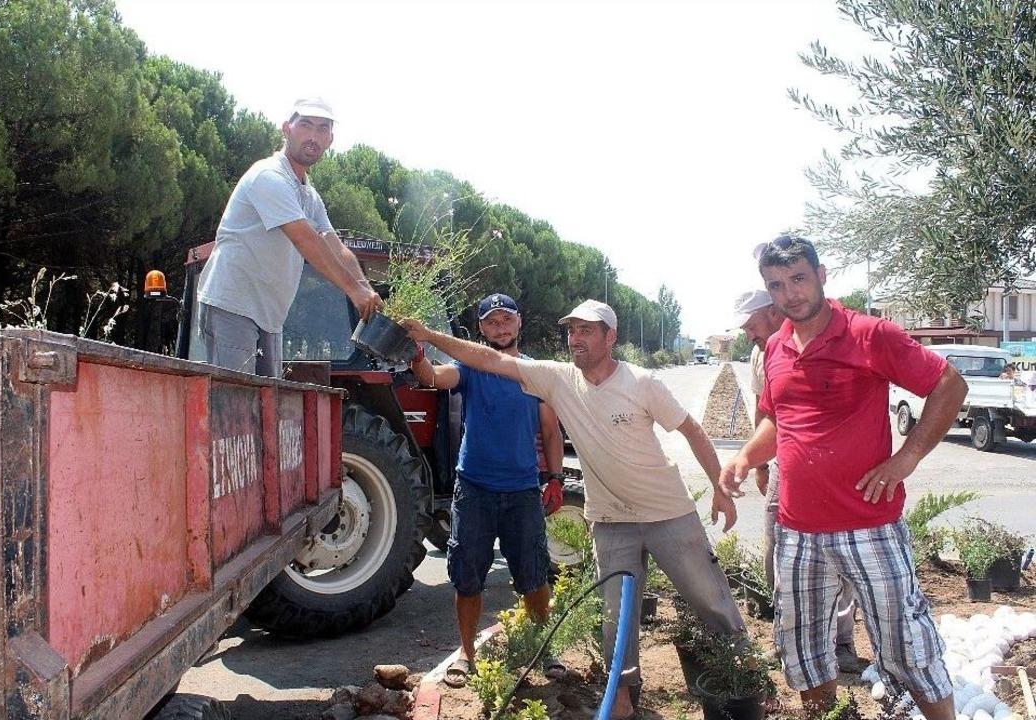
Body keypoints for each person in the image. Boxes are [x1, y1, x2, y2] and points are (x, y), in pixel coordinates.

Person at [403, 299, 746, 720]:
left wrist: (720, 487)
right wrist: (427, 337)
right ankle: (621, 698)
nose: (575, 338)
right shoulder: (556, 378)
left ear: (610, 337)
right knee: (615, 619)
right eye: (571, 331)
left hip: (666, 512)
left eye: (587, 330)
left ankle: (744, 678)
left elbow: (691, 429)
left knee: (710, 600)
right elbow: (484, 361)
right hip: (608, 520)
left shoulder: (641, 382)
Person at [720, 235, 967, 718]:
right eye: (777, 285)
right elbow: (780, 421)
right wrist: (746, 456)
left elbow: (948, 384)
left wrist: (907, 457)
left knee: (908, 646)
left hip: (868, 526)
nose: (790, 294)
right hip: (796, 532)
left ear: (821, 275)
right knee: (805, 649)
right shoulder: (775, 346)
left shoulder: (869, 334)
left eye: (798, 279)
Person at [409, 293, 566, 687]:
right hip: (474, 490)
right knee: (467, 577)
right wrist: (417, 355)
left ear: (519, 322)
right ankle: (467, 653)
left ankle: (543, 650)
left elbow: (551, 430)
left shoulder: (535, 373)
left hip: (523, 491)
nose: (500, 328)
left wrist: (555, 479)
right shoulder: (470, 369)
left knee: (534, 574)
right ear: (481, 328)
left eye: (506, 319)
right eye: (492, 322)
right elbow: (433, 378)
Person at [196, 97, 382, 377]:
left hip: (270, 316)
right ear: (286, 129)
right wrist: (354, 292)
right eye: (305, 125)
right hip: (232, 305)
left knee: (266, 399)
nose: (313, 136)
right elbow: (305, 240)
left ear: (330, 139)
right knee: (233, 399)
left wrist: (366, 290)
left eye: (322, 128)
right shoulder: (268, 176)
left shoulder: (309, 195)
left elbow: (335, 246)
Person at [733, 288, 863, 674]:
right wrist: (758, 463)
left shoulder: (827, 339)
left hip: (838, 470)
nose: (748, 335)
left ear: (773, 313)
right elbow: (765, 411)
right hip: (785, 468)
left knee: (839, 557)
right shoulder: (763, 353)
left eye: (751, 325)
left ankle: (840, 642)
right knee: (777, 549)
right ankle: (788, 637)